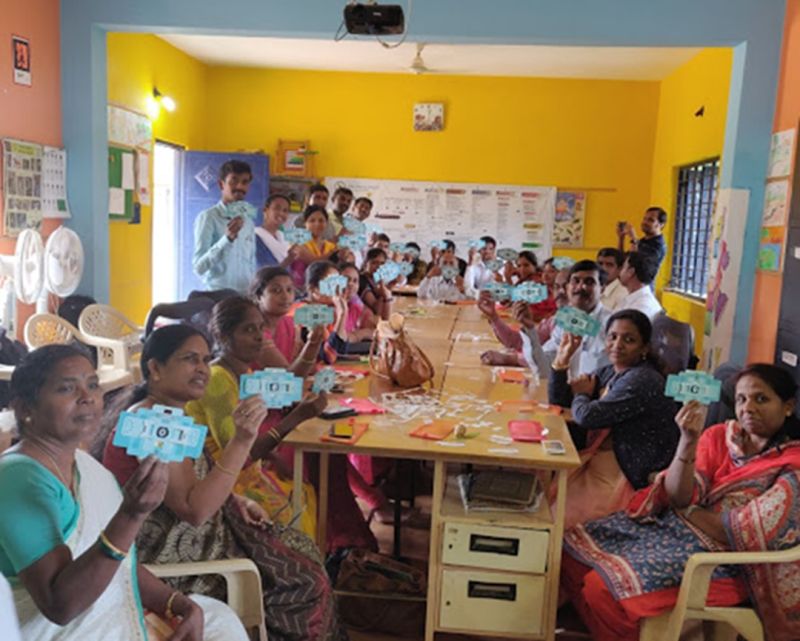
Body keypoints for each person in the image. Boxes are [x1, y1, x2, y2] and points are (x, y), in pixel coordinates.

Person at [102, 326, 346, 641]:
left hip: (202, 539)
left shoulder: (167, 413)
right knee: (304, 582)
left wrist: (236, 501)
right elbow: (195, 510)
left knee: (303, 553)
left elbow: (195, 483)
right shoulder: (151, 423)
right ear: (155, 368)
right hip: (167, 559)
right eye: (189, 359)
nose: (202, 368)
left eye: (205, 359)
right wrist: (242, 440)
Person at [0, 344, 248, 641]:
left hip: (109, 621)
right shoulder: (16, 480)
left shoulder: (86, 467)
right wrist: (131, 515)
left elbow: (121, 563)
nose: (88, 398)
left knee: (215, 618)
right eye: (67, 389)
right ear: (26, 409)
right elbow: (60, 606)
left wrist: (176, 602)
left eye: (93, 385)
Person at [562, 364, 800, 641]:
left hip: (730, 564)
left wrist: (688, 511)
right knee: (569, 546)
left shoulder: (793, 466)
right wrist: (687, 440)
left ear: (787, 407)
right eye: (741, 399)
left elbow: (742, 531)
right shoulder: (720, 437)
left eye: (761, 399)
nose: (748, 408)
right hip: (677, 531)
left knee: (600, 588)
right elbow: (677, 496)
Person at [185, 296, 327, 537]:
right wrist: (296, 418)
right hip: (219, 481)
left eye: (261, 328)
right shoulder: (218, 380)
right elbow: (239, 455)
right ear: (223, 337)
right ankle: (288, 571)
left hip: (242, 472)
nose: (260, 336)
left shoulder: (242, 372)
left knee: (303, 490)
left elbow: (287, 385)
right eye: (249, 330)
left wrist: (273, 457)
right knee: (289, 510)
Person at [549, 309, 679, 527]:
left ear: (644, 348)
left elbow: (587, 416)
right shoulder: (612, 371)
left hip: (626, 474)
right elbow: (559, 403)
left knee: (558, 521)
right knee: (544, 498)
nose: (618, 345)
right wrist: (562, 360)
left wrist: (582, 394)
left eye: (629, 340)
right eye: (613, 337)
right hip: (599, 461)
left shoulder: (642, 380)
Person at [520, 260, 612, 378]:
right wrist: (529, 329)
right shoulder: (564, 321)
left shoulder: (612, 324)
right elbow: (544, 369)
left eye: (589, 282)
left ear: (602, 288)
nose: (581, 287)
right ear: (568, 287)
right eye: (576, 281)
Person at [478, 267, 569, 366]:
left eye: (566, 287)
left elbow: (548, 357)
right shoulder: (556, 319)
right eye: (557, 287)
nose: (561, 292)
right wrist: (493, 317)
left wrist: (510, 359)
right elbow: (519, 342)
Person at [192, 160, 257, 293]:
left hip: (245, 297)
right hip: (218, 298)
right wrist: (227, 239)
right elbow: (199, 268)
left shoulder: (248, 221)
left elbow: (250, 263)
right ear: (221, 184)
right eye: (234, 181)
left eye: (244, 182)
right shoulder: (208, 217)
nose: (239, 186)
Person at [289, 205, 337, 290]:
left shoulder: (331, 246)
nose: (317, 224)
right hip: (301, 290)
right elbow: (316, 265)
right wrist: (331, 254)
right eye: (312, 220)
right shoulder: (298, 244)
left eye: (321, 220)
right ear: (305, 223)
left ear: (326, 223)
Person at [617, 206, 668, 278]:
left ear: (661, 225)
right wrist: (621, 238)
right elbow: (623, 261)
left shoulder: (658, 245)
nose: (645, 222)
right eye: (644, 218)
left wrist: (633, 238)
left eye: (651, 220)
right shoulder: (643, 241)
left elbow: (635, 263)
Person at [255, 194, 299, 269]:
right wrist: (288, 260)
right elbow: (262, 272)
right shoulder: (255, 237)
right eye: (277, 208)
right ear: (265, 210)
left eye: (285, 210)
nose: (281, 213)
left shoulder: (283, 237)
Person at [618, 251, 663, 320]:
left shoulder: (642, 306)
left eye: (623, 267)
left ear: (631, 272)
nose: (620, 272)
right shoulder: (633, 298)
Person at [358, 248, 394, 319]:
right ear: (366, 264)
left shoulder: (376, 280)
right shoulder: (361, 280)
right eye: (374, 263)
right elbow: (377, 311)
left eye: (382, 263)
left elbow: (386, 316)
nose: (379, 267)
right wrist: (383, 293)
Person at [596, 247, 627, 312]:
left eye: (609, 265)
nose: (603, 269)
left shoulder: (623, 294)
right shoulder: (592, 287)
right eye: (600, 264)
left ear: (620, 269)